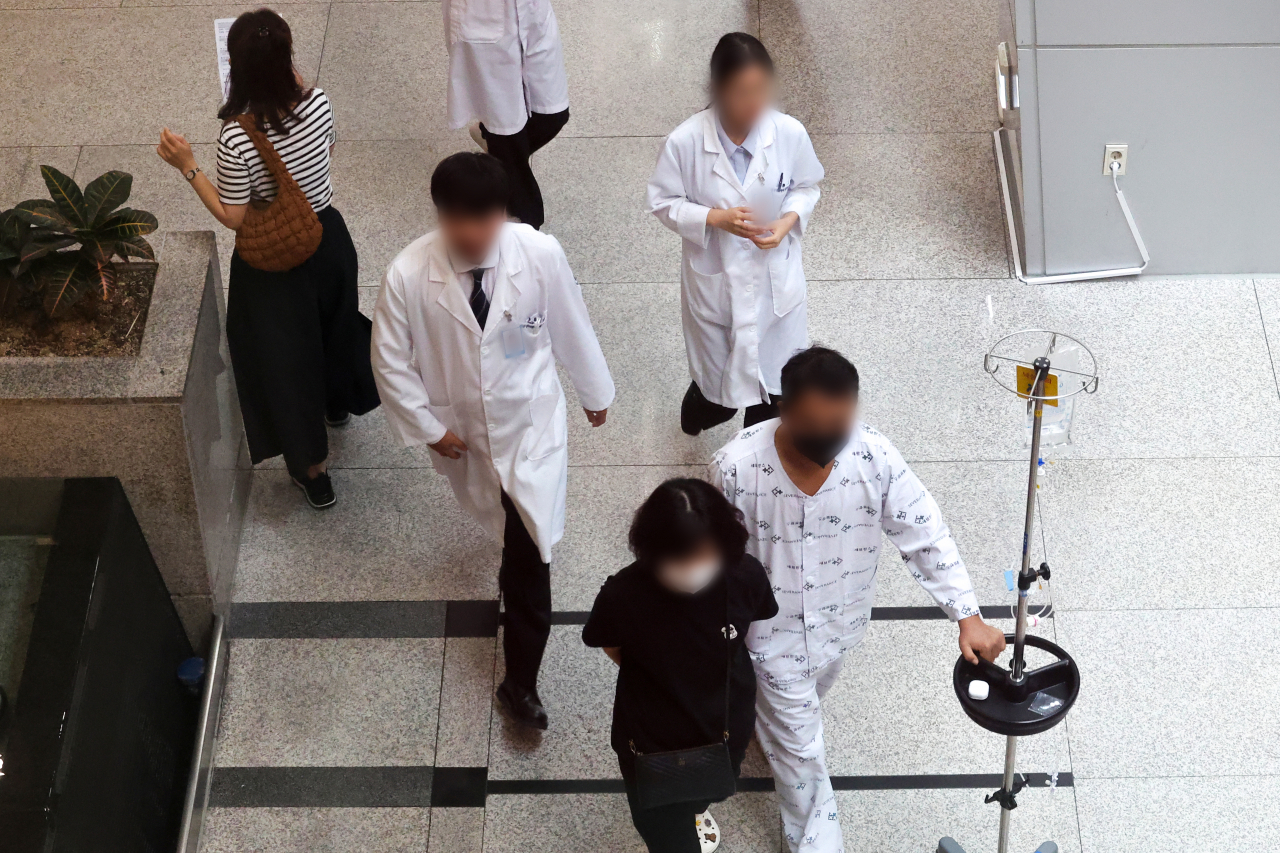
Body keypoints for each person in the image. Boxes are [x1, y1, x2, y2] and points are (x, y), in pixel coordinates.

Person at [709, 346, 1008, 853]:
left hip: (839, 627)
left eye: (840, 426)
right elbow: (712, 559)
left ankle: (774, 728)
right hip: (769, 641)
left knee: (802, 714)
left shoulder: (874, 457)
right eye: (814, 428)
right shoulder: (735, 469)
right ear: (783, 409)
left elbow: (924, 532)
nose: (828, 440)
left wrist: (968, 615)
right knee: (804, 754)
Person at [371, 152, 614, 729]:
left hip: (532, 428)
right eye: (458, 220)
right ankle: (517, 583)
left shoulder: (539, 254)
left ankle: (520, 684)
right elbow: (388, 361)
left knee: (531, 551)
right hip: (468, 434)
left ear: (504, 214)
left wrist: (593, 390)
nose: (473, 234)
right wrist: (428, 428)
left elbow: (569, 321)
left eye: (485, 220)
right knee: (512, 531)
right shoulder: (408, 274)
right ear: (440, 215)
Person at [155, 8, 379, 510]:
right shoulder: (319, 103)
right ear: (287, 59)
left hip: (274, 266)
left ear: (236, 69)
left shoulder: (237, 136)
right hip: (328, 239)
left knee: (287, 362)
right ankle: (337, 405)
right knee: (334, 325)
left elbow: (234, 217)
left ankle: (315, 473)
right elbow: (328, 149)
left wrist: (188, 166)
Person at [583, 478, 778, 853]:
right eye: (680, 557)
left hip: (724, 720)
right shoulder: (623, 594)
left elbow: (751, 626)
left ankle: (695, 808)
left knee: (707, 787)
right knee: (660, 825)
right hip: (651, 737)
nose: (693, 568)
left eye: (704, 555)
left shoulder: (745, 576)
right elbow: (609, 643)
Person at [647, 33, 824, 437]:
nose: (754, 104)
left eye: (761, 90)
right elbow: (662, 202)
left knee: (773, 398)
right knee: (718, 397)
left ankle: (752, 464)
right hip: (718, 287)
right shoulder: (685, 142)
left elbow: (807, 185)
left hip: (777, 289)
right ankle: (699, 410)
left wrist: (787, 222)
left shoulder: (788, 132)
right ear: (718, 90)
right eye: (742, 92)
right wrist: (714, 218)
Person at [444, 0, 570, 229]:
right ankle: (527, 222)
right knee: (507, 132)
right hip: (484, 21)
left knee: (553, 115)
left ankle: (490, 140)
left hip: (532, 15)